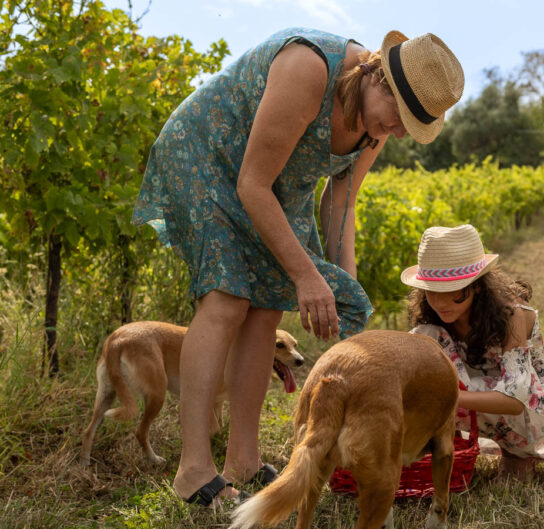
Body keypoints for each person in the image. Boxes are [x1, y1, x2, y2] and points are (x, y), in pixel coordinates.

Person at [131, 28, 465, 505]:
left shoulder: (376, 123)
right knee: (227, 300)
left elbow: (341, 205)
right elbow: (251, 184)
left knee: (268, 308)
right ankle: (193, 469)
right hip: (210, 159)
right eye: (397, 119)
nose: (394, 133)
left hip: (275, 184)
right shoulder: (309, 68)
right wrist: (305, 276)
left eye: (407, 129)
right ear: (379, 80)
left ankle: (242, 460)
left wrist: (342, 294)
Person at [401, 225, 544, 480]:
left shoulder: (512, 314)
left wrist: (445, 398)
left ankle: (518, 454)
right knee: (423, 338)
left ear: (477, 286)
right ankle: (442, 441)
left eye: (452, 290)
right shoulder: (434, 322)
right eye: (432, 291)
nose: (441, 301)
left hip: (529, 406)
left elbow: (515, 399)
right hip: (473, 390)